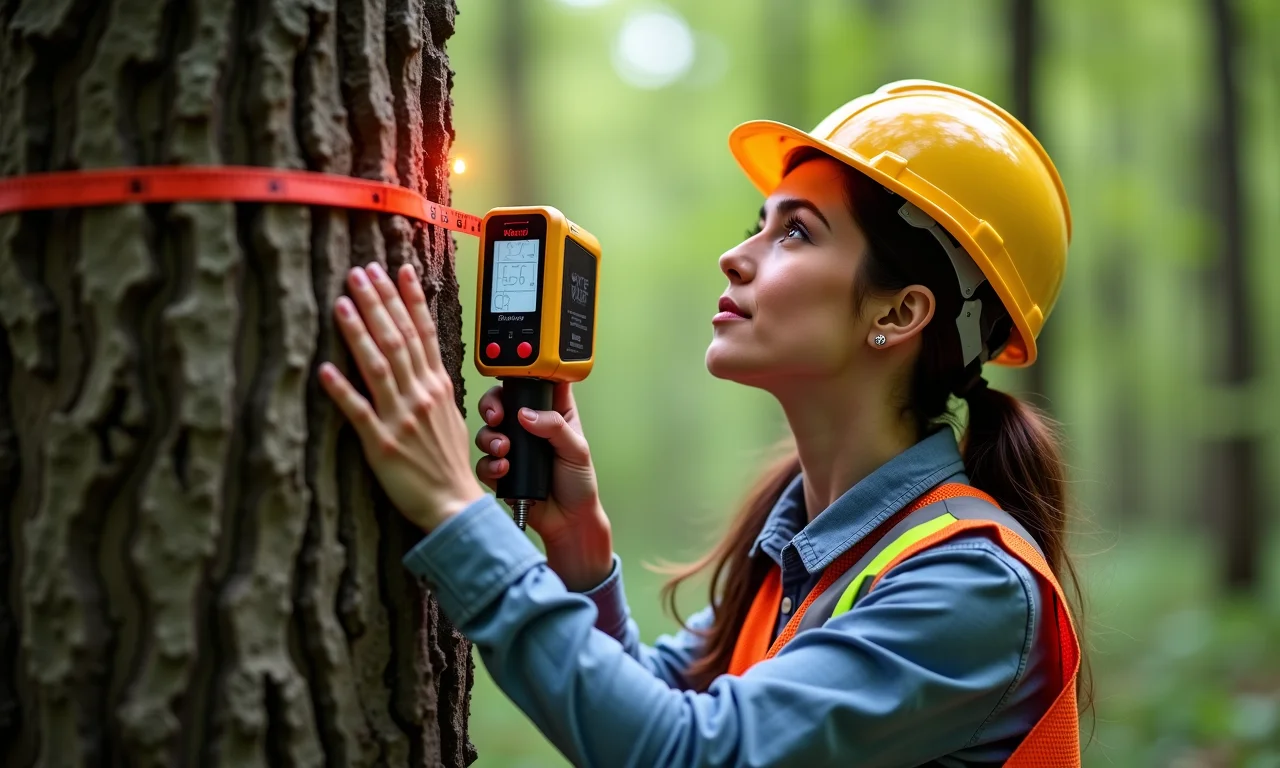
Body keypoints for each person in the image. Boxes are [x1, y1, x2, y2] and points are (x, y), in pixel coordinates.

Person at [318, 79, 1088, 767]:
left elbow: (686, 751)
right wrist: (583, 562)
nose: (735, 256)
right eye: (761, 223)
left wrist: (456, 515)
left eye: (796, 232)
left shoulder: (971, 586)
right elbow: (659, 709)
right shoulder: (801, 545)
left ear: (900, 311)